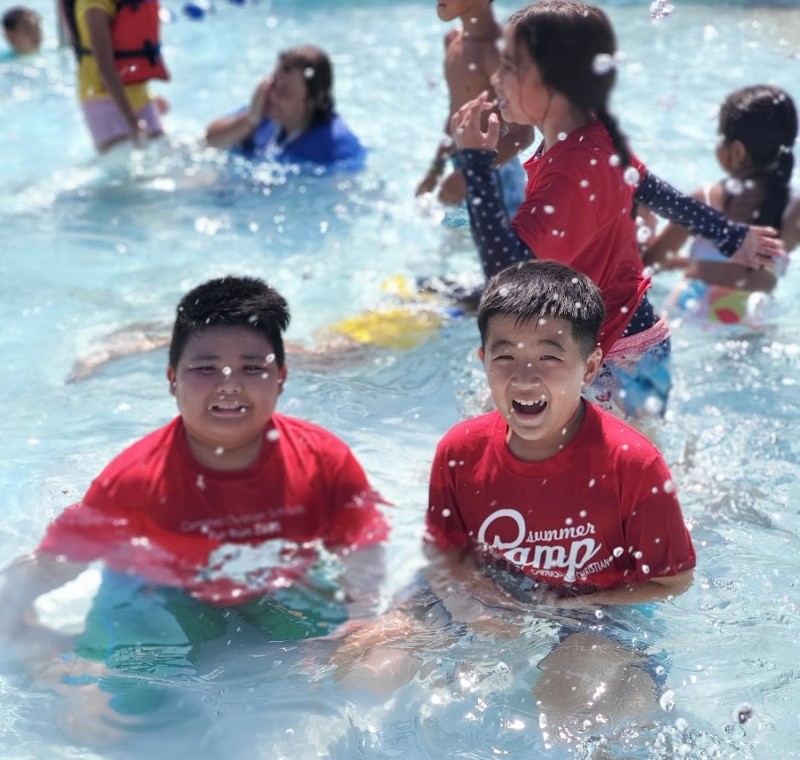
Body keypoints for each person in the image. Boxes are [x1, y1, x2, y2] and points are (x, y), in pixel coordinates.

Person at [0, 275, 389, 727]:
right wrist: (14, 610)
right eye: (206, 368)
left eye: (251, 367)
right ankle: (50, 662)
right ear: (172, 379)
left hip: (280, 578)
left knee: (349, 667)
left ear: (280, 378)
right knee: (120, 705)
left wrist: (357, 614)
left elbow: (359, 541)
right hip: (171, 591)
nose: (229, 385)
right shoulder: (137, 479)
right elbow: (55, 563)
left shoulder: (320, 456)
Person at [334, 261, 696, 734]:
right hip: (485, 584)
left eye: (549, 356)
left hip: (593, 606)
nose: (524, 378)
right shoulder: (461, 449)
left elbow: (673, 582)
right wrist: (466, 598)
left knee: (569, 706)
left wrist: (570, 609)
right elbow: (444, 548)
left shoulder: (632, 463)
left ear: (589, 367)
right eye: (506, 356)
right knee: (362, 672)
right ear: (483, 359)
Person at [448, 0, 785, 420]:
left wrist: (477, 164)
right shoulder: (590, 137)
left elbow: (508, 275)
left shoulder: (574, 167)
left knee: (608, 471)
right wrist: (731, 236)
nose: (496, 79)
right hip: (631, 346)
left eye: (510, 68)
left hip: (614, 359)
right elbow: (652, 190)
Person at [643, 84, 799, 327]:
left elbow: (652, 262)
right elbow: (745, 269)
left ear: (737, 151)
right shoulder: (795, 209)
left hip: (691, 305)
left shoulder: (705, 198)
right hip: (752, 313)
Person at [414, 0, 534, 221]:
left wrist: (473, 174)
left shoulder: (498, 52)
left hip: (497, 174)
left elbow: (523, 135)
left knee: (502, 253)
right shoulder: (453, 40)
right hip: (463, 167)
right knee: (453, 247)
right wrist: (435, 171)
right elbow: (456, 113)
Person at [205, 45, 366, 171]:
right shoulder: (261, 114)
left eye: (284, 91)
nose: (273, 96)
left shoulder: (336, 145)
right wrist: (250, 121)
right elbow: (211, 139)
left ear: (312, 100)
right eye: (273, 84)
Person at [61, 0, 169, 152]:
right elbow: (105, 66)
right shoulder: (93, 4)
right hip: (103, 98)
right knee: (124, 169)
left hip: (139, 94)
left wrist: (150, 97)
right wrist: (131, 119)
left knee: (164, 157)